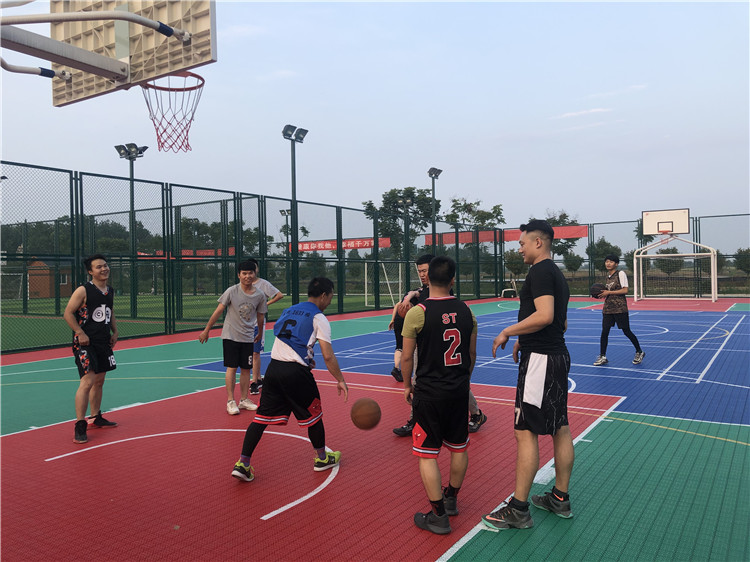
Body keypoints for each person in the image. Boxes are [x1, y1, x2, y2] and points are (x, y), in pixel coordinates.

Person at [482, 219, 575, 531]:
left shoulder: (539, 271)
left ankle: (518, 509)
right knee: (560, 427)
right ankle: (560, 498)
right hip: (556, 355)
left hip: (541, 362)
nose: (519, 248)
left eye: (522, 243)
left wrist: (509, 331)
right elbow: (560, 322)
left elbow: (545, 315)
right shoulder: (556, 274)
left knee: (525, 432)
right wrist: (525, 338)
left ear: (538, 242)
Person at [231, 277, 349, 482]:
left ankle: (243, 463)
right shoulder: (319, 317)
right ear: (323, 295)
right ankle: (322, 459)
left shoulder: (290, 310)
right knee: (314, 415)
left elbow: (287, 337)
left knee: (260, 418)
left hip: (274, 369)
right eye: (331, 296)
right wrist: (340, 379)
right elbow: (328, 355)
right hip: (296, 373)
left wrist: (306, 356)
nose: (330, 300)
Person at [401, 256, 478, 535]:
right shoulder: (467, 311)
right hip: (458, 391)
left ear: (427, 279)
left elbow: (407, 357)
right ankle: (451, 499)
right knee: (459, 448)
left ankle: (438, 516)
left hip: (430, 393)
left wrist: (407, 386)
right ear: (453, 279)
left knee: (427, 455)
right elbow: (471, 353)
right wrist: (463, 381)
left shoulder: (418, 312)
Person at [393, 254, 487, 436]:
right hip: (430, 347)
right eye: (419, 271)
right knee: (449, 381)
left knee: (424, 382)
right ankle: (415, 419)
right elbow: (472, 353)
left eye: (425, 271)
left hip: (435, 346)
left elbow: (426, 314)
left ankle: (475, 413)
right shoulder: (460, 307)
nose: (422, 274)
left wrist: (412, 304)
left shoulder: (436, 296)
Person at [63, 254, 119, 445]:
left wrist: (115, 331)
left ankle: (95, 417)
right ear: (90, 271)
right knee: (87, 382)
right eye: (99, 267)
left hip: (103, 341)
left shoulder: (109, 290)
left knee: (100, 381)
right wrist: (80, 332)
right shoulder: (83, 290)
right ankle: (80, 424)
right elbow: (68, 313)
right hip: (85, 343)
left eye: (105, 265)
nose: (104, 269)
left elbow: (110, 312)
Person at [199, 260, 267, 415]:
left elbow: (261, 316)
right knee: (232, 367)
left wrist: (260, 333)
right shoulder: (232, 291)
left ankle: (244, 400)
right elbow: (218, 311)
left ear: (255, 274)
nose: (247, 276)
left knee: (246, 369)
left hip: (248, 337)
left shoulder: (260, 295)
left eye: (250, 273)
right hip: (230, 335)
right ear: (239, 275)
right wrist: (207, 330)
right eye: (244, 273)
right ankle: (230, 401)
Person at [593, 254, 645, 366]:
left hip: (620, 308)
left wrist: (609, 292)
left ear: (616, 264)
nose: (608, 263)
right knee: (604, 332)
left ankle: (639, 351)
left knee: (626, 331)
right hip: (608, 308)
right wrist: (602, 294)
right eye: (607, 261)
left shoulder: (620, 274)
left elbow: (625, 290)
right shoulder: (608, 277)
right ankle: (602, 356)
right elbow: (608, 292)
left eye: (611, 262)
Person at [247, 258, 285, 395]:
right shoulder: (241, 286)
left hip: (257, 323)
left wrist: (265, 304)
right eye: (246, 271)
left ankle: (254, 382)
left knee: (255, 352)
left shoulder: (263, 284)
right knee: (248, 352)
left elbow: (279, 295)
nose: (249, 273)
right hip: (244, 324)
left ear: (256, 270)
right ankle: (258, 378)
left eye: (253, 269)